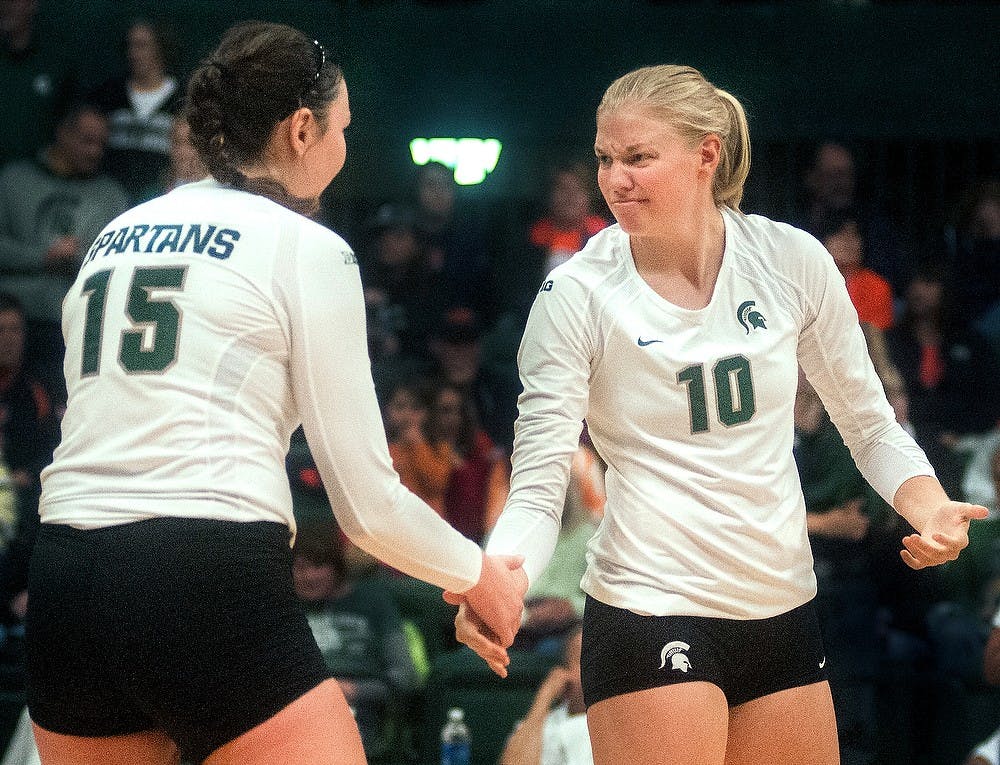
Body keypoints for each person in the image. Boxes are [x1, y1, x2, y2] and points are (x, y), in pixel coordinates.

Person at [449, 64, 987, 765]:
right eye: (607, 159)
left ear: (707, 154)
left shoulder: (791, 260)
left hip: (782, 606)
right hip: (650, 604)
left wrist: (929, 503)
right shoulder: (576, 291)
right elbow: (540, 481)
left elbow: (871, 423)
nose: (616, 179)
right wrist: (502, 575)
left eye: (639, 157)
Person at [24, 21, 524, 765]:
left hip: (65, 577)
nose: (344, 150)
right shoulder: (308, 247)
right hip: (201, 566)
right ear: (300, 130)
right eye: (342, 128)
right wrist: (481, 577)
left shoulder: (114, 234)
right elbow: (368, 504)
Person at [0, 102, 129, 405]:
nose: (95, 151)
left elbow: (119, 266)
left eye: (101, 143)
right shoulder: (14, 180)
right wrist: (43, 256)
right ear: (62, 133)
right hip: (17, 321)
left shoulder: (111, 197)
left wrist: (79, 256)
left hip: (78, 327)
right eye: (87, 140)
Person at [291, 521, 418, 757]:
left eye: (318, 566)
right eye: (299, 568)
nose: (307, 576)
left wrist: (353, 690)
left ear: (336, 567)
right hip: (295, 715)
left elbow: (404, 677)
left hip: (359, 714)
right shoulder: (282, 608)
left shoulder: (373, 601)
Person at [89, 18, 183, 203]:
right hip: (110, 201)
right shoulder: (110, 95)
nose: (133, 53)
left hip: (162, 200)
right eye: (130, 46)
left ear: (161, 48)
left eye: (141, 45)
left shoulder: (182, 97)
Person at [499, 625, 593, 765]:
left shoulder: (615, 722)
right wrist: (545, 695)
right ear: (564, 671)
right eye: (585, 661)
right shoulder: (542, 722)